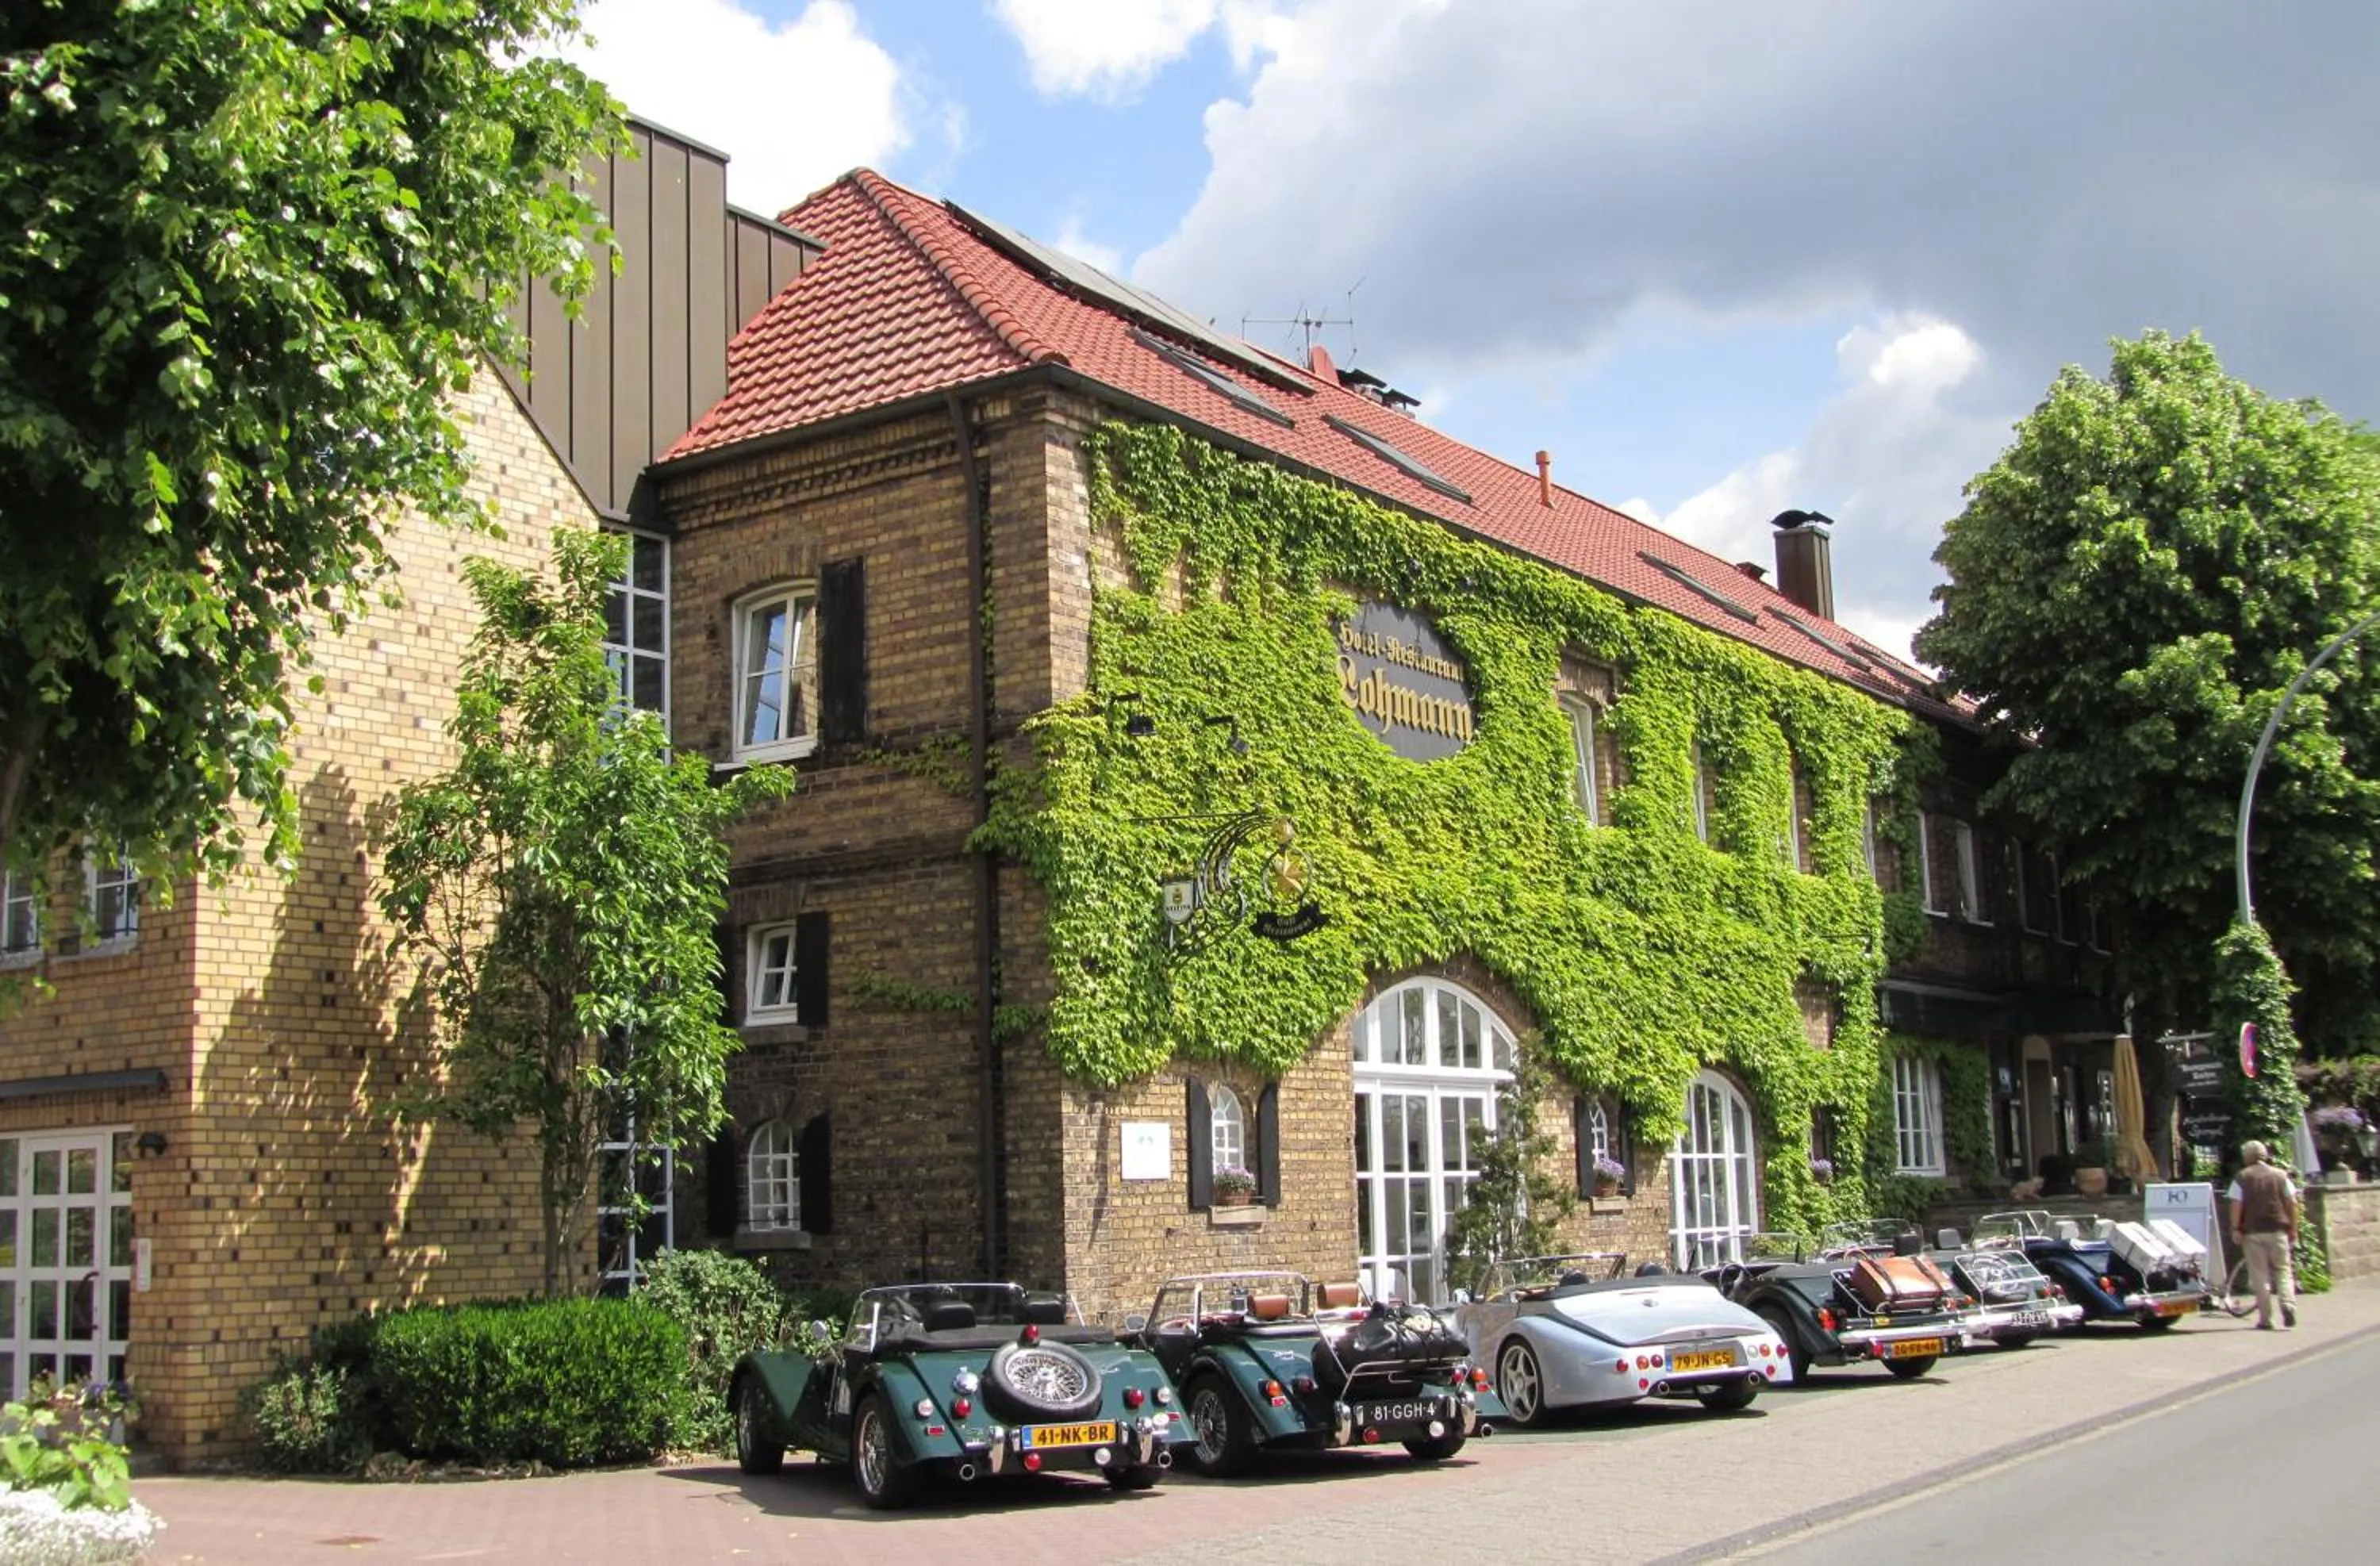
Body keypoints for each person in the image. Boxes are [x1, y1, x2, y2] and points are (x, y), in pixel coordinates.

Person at [2227, 1141, 2300, 1330]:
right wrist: (2293, 1228)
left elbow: (2236, 1204)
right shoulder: (2281, 1176)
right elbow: (2292, 1203)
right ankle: (2288, 1305)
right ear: (2265, 1155)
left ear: (2247, 1157)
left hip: (2253, 1232)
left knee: (2260, 1276)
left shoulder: (2242, 1177)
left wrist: (2236, 1228)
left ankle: (2266, 1319)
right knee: (2283, 1270)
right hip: (2278, 1230)